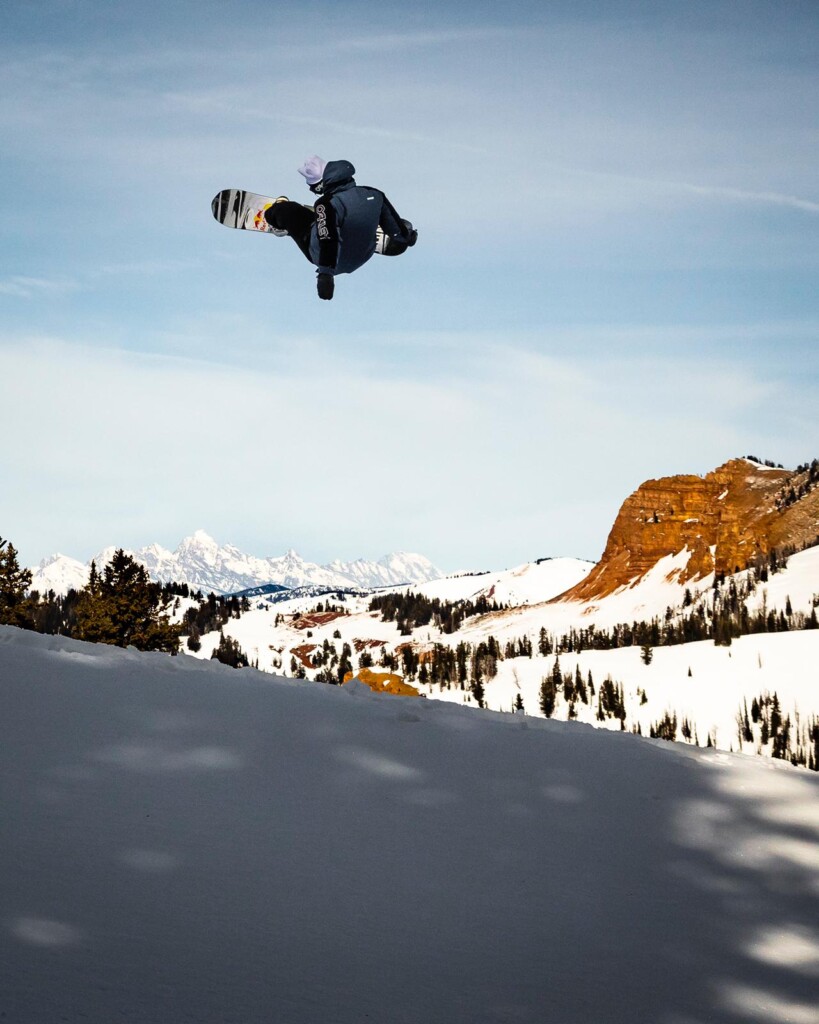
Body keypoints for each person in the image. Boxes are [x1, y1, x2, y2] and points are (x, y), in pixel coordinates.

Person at [264, 157, 417, 301]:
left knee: (287, 210)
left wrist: (326, 275)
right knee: (338, 218)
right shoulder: (375, 194)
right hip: (361, 256)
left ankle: (278, 224)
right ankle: (356, 227)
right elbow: (394, 226)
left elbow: (328, 238)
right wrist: (407, 238)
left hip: (328, 259)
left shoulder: (326, 203)